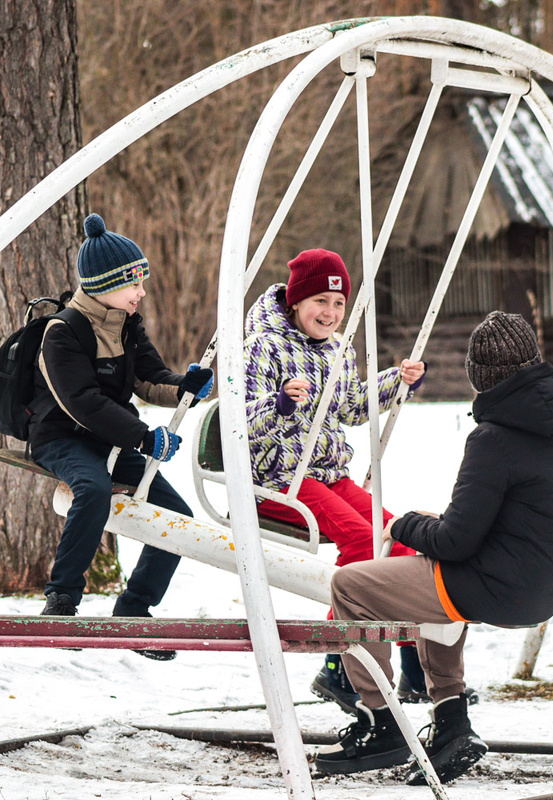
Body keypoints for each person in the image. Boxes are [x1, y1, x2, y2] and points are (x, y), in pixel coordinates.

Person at [313, 311, 553, 784]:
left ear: (482, 378)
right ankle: (452, 724)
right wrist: (430, 528)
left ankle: (380, 722)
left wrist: (402, 524)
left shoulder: (493, 439)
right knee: (432, 585)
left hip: (494, 586)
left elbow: (455, 541)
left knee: (350, 585)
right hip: (546, 589)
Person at [241, 248, 428, 708]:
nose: (330, 313)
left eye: (338, 304)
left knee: (402, 541)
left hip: (327, 473)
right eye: (320, 302)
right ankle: (336, 664)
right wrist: (280, 404)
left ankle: (414, 668)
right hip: (278, 476)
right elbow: (238, 423)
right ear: (297, 301)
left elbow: (349, 407)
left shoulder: (338, 350)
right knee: (365, 545)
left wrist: (397, 382)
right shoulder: (262, 345)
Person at [29, 213, 213, 663]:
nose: (141, 292)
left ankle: (133, 610)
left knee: (177, 517)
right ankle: (61, 601)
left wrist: (184, 387)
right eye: (134, 283)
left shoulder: (129, 324)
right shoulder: (62, 333)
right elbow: (83, 403)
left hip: (112, 438)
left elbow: (149, 379)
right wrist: (143, 438)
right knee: (91, 490)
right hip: (63, 437)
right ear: (104, 284)